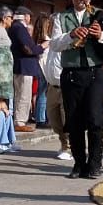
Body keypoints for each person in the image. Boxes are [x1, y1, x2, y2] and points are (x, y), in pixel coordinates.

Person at [48, 0, 103, 179]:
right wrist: (71, 35)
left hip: (94, 73)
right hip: (71, 74)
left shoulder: (100, 15)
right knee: (74, 121)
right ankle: (79, 163)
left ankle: (95, 163)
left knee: (95, 119)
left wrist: (101, 36)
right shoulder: (61, 18)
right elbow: (54, 44)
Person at [36, 19, 71, 161]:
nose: (51, 28)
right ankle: (64, 143)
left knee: (66, 119)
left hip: (66, 86)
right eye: (50, 25)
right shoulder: (50, 43)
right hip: (52, 86)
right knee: (54, 120)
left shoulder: (67, 42)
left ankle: (68, 147)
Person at [9, 5, 41, 131]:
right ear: (25, 16)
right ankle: (20, 122)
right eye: (29, 16)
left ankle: (19, 120)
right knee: (23, 95)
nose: (29, 19)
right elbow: (28, 48)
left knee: (21, 94)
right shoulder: (19, 28)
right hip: (24, 66)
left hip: (19, 66)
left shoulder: (14, 27)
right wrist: (41, 47)